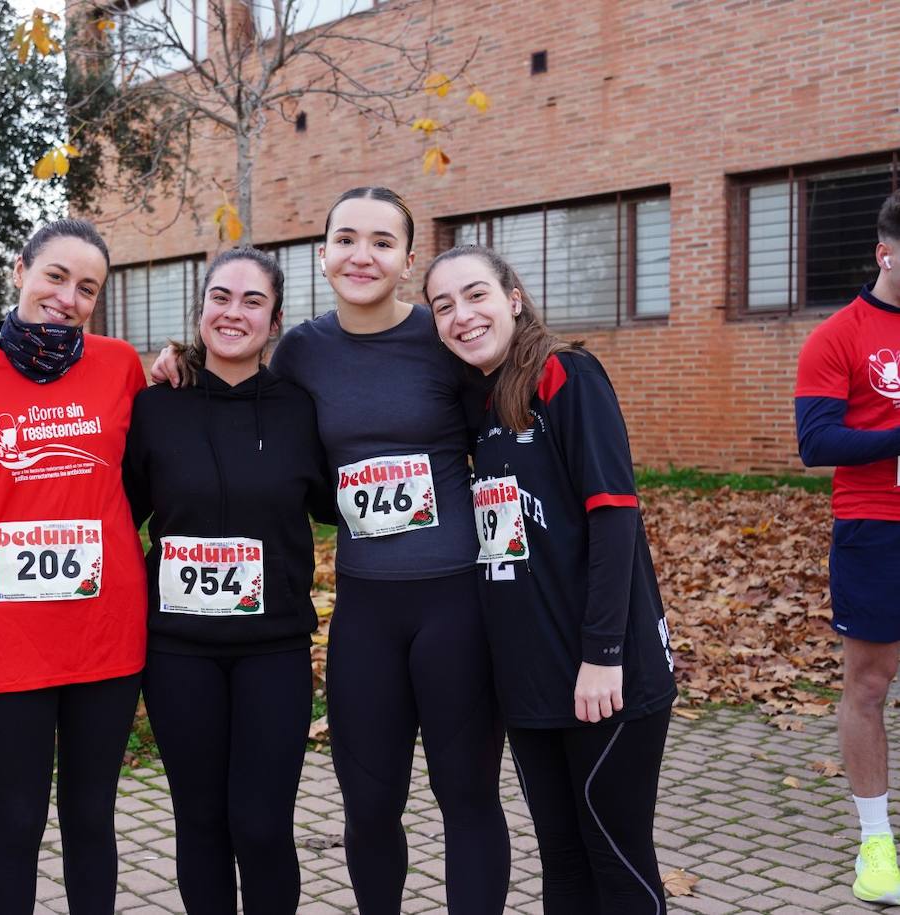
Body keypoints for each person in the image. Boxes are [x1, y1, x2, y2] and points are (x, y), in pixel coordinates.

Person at [154, 187, 510, 915]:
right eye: (346, 238)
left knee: (465, 795)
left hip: (454, 604)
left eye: (382, 241)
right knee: (370, 806)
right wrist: (178, 362)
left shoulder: (443, 338)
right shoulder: (302, 352)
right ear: (323, 255)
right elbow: (239, 387)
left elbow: (505, 446)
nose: (362, 255)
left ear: (408, 260)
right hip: (364, 610)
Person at [424, 244, 676, 914]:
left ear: (513, 297)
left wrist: (603, 654)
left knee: (617, 862)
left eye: (475, 294)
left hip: (604, 674)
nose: (461, 315)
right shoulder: (475, 403)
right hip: (529, 678)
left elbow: (615, 518)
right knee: (562, 863)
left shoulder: (566, 374)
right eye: (443, 305)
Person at [0, 218, 147, 915]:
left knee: (92, 819)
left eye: (87, 288)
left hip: (103, 633)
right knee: (16, 822)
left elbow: (135, 481)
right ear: (20, 269)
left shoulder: (121, 366)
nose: (68, 297)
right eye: (56, 276)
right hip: (3, 640)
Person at [123, 247, 334, 914]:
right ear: (201, 307)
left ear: (275, 321)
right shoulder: (156, 407)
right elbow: (116, 512)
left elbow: (337, 504)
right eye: (220, 297)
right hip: (178, 651)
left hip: (272, 649)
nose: (233, 311)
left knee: (264, 824)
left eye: (252, 301)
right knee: (203, 822)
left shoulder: (302, 410)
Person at [796, 189, 900, 906]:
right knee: (870, 682)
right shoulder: (839, 334)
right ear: (885, 252)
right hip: (876, 525)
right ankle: (876, 841)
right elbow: (816, 440)